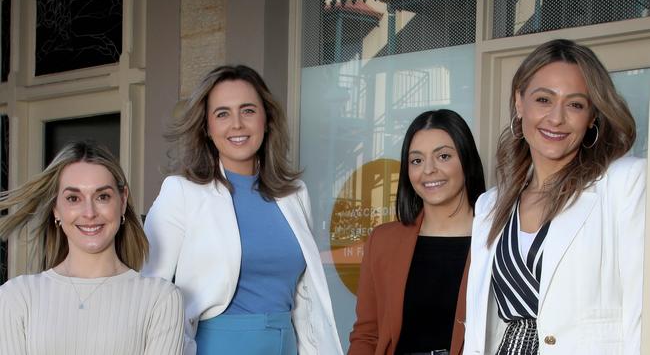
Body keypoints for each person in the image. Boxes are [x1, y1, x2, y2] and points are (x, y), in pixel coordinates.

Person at [142, 64, 343, 355]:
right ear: (207, 128)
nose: (237, 124)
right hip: (215, 347)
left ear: (266, 119)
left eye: (248, 110)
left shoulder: (295, 194)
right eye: (222, 114)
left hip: (286, 345)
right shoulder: (181, 192)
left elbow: (305, 295)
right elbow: (150, 290)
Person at [464, 39, 645, 354]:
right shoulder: (490, 205)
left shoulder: (625, 183)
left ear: (592, 116)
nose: (556, 118)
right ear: (520, 103)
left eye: (575, 104)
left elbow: (642, 311)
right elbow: (483, 324)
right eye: (544, 99)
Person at [0, 141, 184, 354]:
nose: (89, 213)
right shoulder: (15, 297)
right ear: (56, 209)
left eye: (102, 196)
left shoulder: (161, 299)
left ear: (122, 201)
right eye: (73, 198)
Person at [349, 109, 486, 355]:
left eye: (443, 156)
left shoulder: (497, 240)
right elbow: (366, 334)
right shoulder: (383, 241)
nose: (428, 170)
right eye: (416, 160)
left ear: (467, 160)